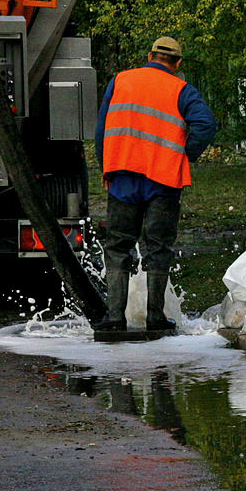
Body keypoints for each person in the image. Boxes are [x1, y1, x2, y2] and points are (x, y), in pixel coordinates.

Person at [92, 37, 216, 332]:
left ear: (150, 55)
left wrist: (105, 164)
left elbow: (102, 126)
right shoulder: (181, 89)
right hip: (162, 179)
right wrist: (187, 154)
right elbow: (206, 124)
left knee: (118, 247)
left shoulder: (120, 80)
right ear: (177, 63)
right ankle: (155, 319)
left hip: (123, 174)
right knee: (158, 248)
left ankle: (113, 319)